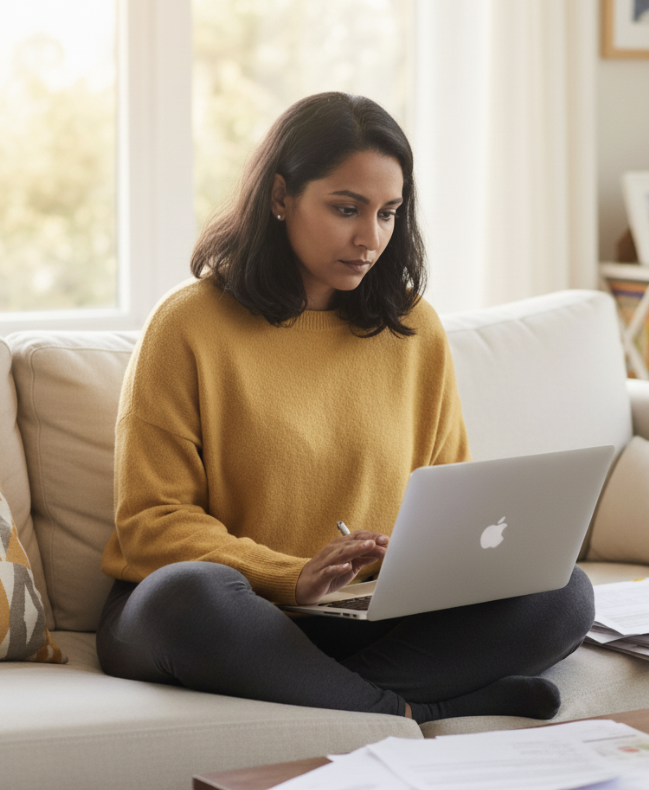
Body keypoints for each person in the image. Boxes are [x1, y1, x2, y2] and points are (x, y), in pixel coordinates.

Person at [96, 92, 594, 724]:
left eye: (389, 213)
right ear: (280, 196)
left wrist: (429, 569)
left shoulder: (414, 329)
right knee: (187, 594)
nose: (370, 238)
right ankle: (416, 706)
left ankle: (352, 699)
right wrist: (293, 576)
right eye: (346, 209)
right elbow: (152, 523)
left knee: (565, 593)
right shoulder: (188, 323)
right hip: (232, 612)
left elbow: (453, 503)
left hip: (363, 618)